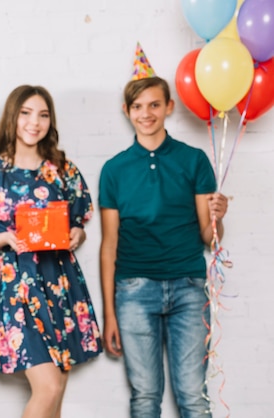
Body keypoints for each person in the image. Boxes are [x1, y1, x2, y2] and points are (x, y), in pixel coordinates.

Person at [98, 49, 229, 418]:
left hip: (188, 286)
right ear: (127, 112)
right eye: (138, 106)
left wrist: (219, 216)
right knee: (145, 396)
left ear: (169, 106)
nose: (146, 114)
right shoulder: (115, 170)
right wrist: (109, 313)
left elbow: (209, 236)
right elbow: (109, 246)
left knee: (193, 395)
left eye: (154, 105)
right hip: (134, 291)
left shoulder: (193, 160)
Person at [0, 85, 102, 418]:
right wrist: (6, 237)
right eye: (25, 113)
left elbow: (79, 222)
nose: (34, 122)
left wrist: (77, 233)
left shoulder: (62, 169)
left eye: (43, 114)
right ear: (13, 116)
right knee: (48, 386)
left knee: (57, 391)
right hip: (18, 288)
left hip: (62, 283)